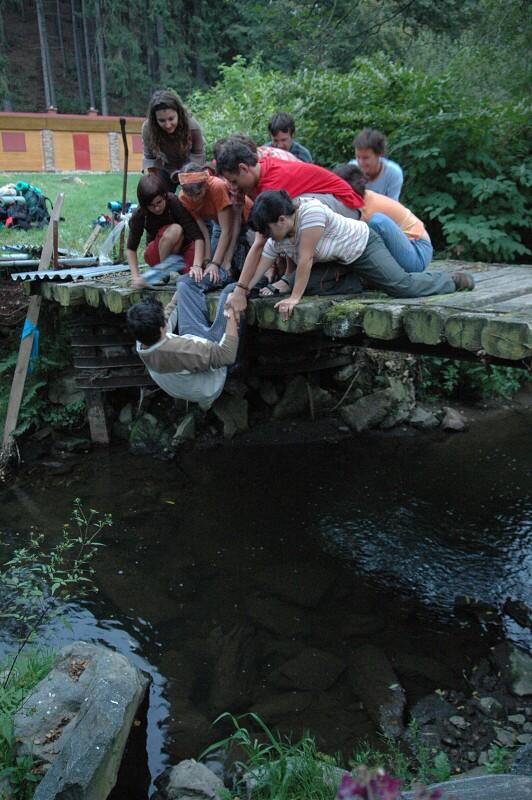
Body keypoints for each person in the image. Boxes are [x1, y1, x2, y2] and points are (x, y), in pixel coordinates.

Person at [233, 190, 474, 322]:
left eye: (267, 231)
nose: (266, 237)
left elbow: (305, 260)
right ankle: (365, 279)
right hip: (337, 260)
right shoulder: (278, 235)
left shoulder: (310, 213)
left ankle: (452, 280)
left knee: (402, 287)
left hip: (362, 246)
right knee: (306, 285)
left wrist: (294, 299)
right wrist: (241, 291)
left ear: (281, 220)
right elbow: (260, 262)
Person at [127, 281, 240, 410]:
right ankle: (208, 402)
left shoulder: (142, 338)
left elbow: (166, 318)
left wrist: (175, 299)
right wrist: (231, 314)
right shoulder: (178, 351)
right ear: (162, 329)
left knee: (185, 285)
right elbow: (227, 355)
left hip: (185, 383)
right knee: (231, 291)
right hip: (212, 378)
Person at [216, 141, 363, 217]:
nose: (233, 187)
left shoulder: (272, 185)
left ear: (243, 168)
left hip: (345, 205)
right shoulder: (261, 167)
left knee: (291, 213)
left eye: (234, 182)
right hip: (333, 202)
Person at [334, 163, 432, 273]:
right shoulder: (364, 198)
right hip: (411, 248)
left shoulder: (365, 209)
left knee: (377, 222)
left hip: (418, 253)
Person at [178, 162, 253, 289]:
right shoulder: (183, 198)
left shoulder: (217, 187)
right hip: (219, 225)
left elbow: (228, 229)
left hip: (245, 222)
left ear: (205, 184)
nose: (195, 199)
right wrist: (208, 261)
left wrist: (220, 262)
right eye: (190, 196)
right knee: (211, 268)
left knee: (226, 266)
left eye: (198, 194)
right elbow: (203, 231)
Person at [127, 174, 205, 289]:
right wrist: (135, 277)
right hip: (156, 253)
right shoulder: (140, 214)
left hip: (181, 250)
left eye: (159, 202)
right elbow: (131, 249)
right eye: (151, 206)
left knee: (195, 277)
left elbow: (197, 237)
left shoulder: (173, 202)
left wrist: (197, 266)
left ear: (164, 196)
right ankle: (163, 271)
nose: (157, 208)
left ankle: (170, 269)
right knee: (175, 230)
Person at [142, 89, 205, 192]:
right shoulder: (148, 129)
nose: (168, 125)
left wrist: (188, 177)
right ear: (154, 119)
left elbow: (198, 155)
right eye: (162, 120)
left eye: (171, 119)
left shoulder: (192, 126)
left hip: (190, 166)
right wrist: (156, 185)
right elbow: (150, 160)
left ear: (179, 113)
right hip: (164, 168)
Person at [350, 128, 403, 200]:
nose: (361, 162)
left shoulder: (393, 173)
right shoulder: (351, 170)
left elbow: (393, 204)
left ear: (379, 155)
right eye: (358, 157)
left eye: (366, 158)